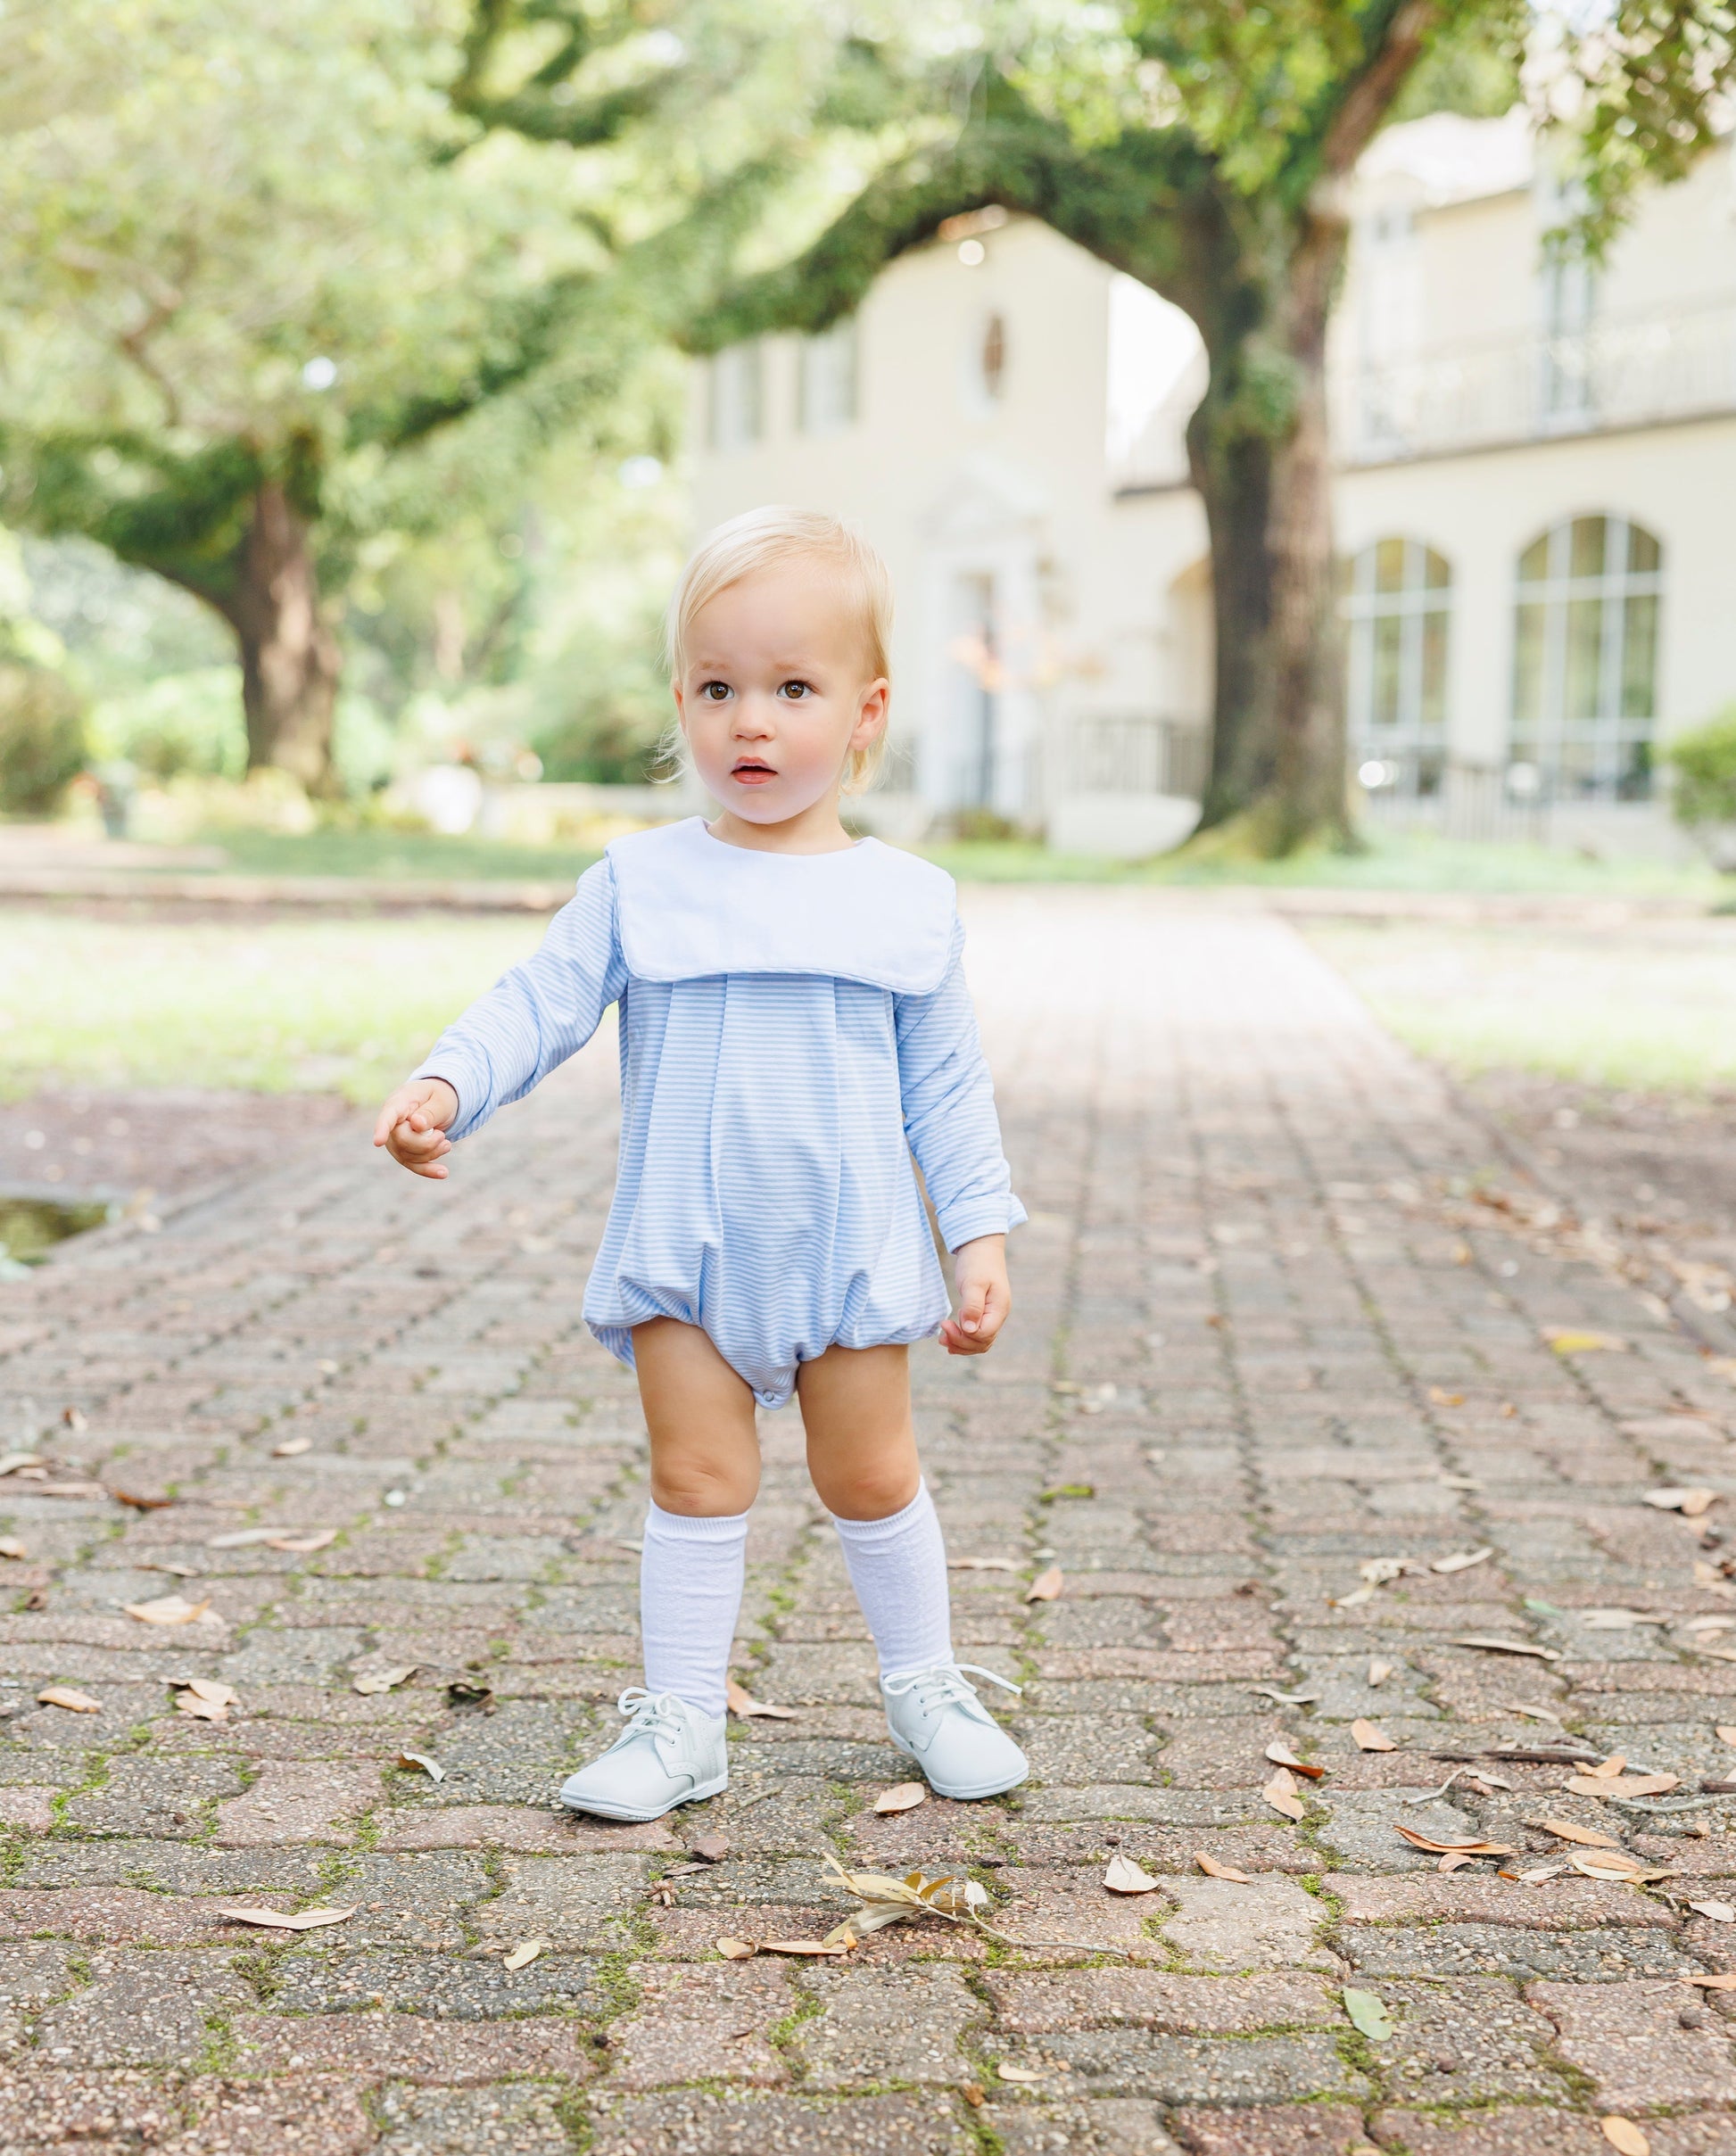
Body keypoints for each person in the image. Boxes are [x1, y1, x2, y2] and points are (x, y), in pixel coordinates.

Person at [372, 506, 1029, 1823]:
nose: (752, 722)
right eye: (719, 688)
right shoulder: (641, 881)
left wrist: (977, 1236)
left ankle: (926, 1684)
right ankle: (680, 1722)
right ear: (681, 701)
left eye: (794, 689)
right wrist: (450, 1079)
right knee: (694, 1478)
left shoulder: (902, 901)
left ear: (864, 712)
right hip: (686, 1248)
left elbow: (946, 1089)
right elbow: (540, 998)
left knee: (871, 1474)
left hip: (845, 1256)